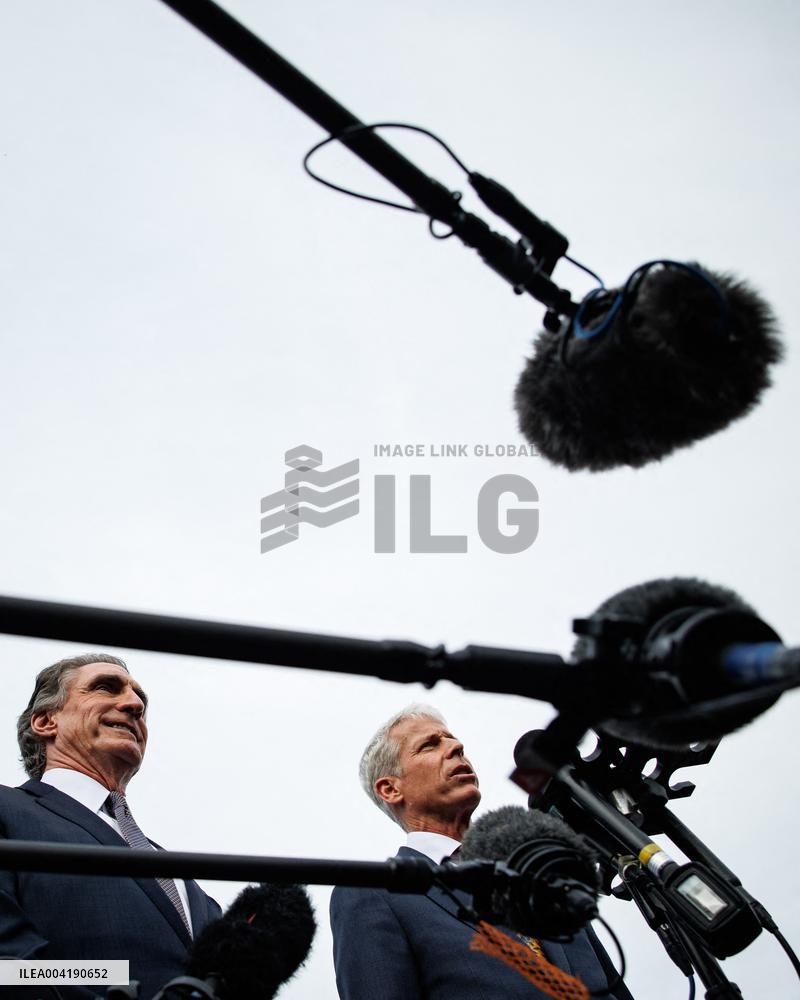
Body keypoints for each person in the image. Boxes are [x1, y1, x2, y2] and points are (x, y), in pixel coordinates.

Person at [330, 704, 634, 1000]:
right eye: (429, 745)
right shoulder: (372, 894)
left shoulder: (543, 879)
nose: (456, 747)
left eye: (452, 739)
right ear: (390, 789)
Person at [0, 652, 222, 998]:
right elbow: (9, 968)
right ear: (45, 722)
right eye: (106, 688)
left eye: (140, 700)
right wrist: (109, 978)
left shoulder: (180, 877)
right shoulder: (7, 810)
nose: (134, 705)